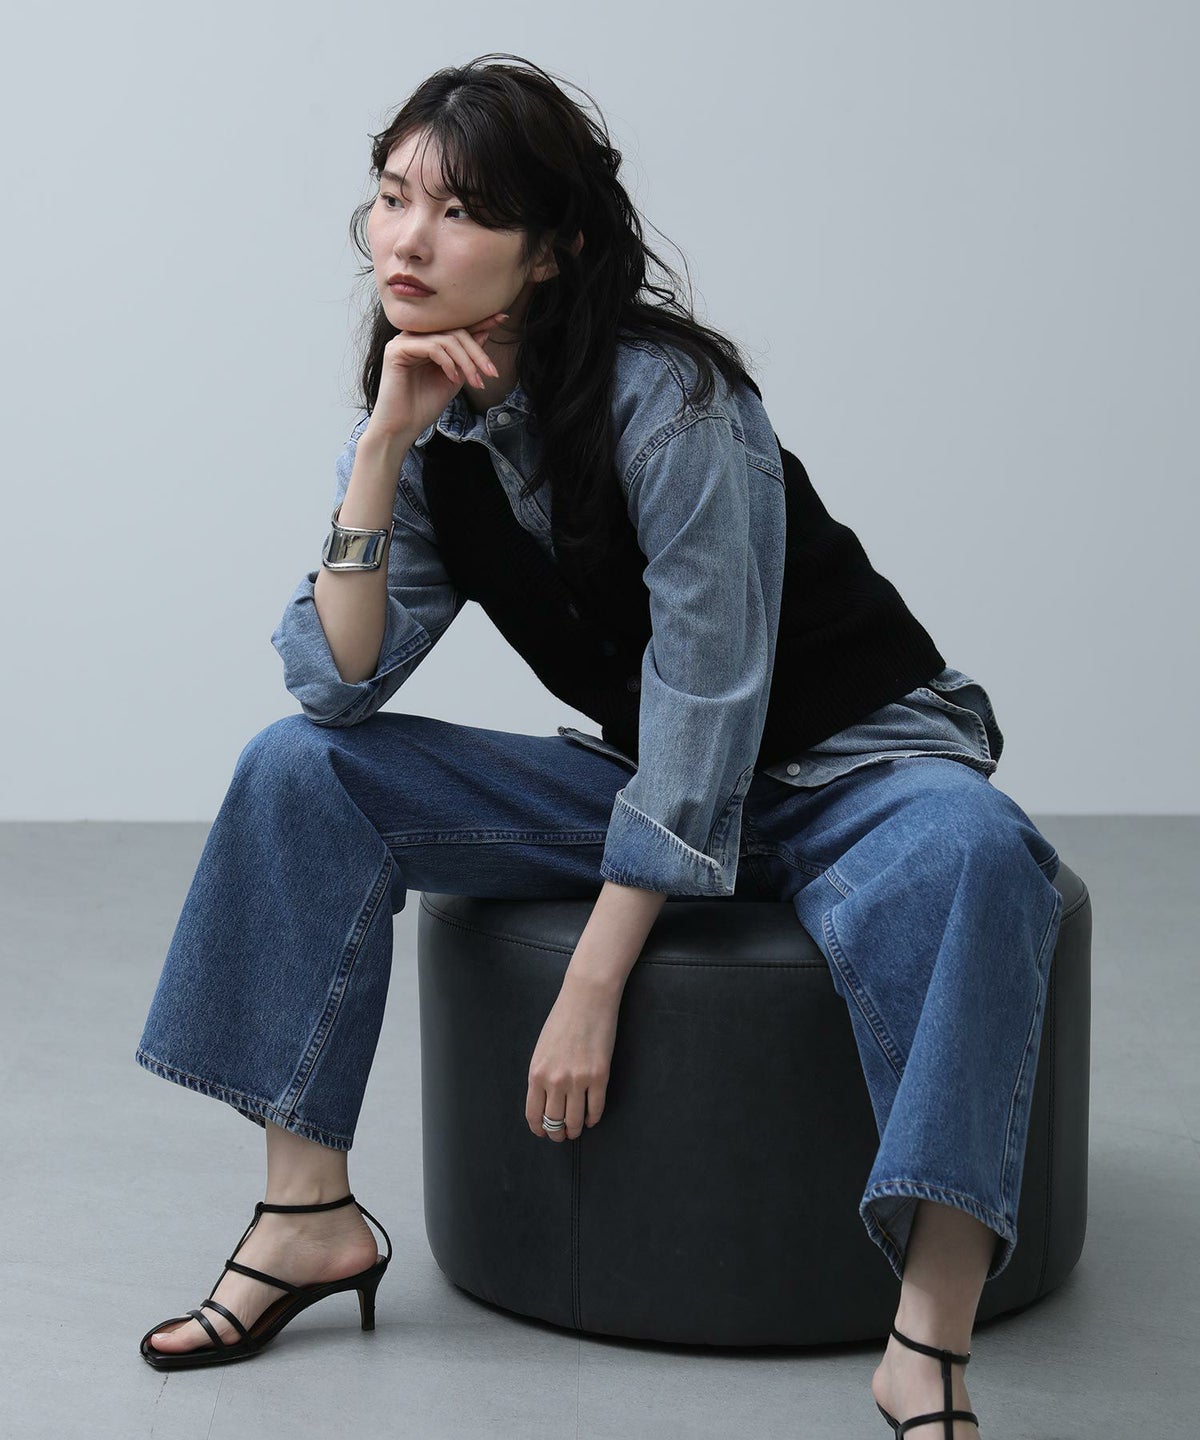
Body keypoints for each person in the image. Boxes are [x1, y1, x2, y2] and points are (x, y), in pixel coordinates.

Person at [135, 52, 1063, 1438]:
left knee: (984, 851)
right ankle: (306, 1214)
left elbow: (707, 705)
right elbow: (336, 685)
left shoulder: (674, 404)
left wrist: (593, 981)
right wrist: (383, 450)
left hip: (853, 773)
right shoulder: (432, 411)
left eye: (460, 212)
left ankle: (927, 1339)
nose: (407, 240)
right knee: (296, 768)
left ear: (555, 249)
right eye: (392, 197)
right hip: (654, 780)